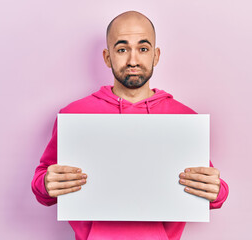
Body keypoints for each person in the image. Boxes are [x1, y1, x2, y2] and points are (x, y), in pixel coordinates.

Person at [31, 10, 229, 240]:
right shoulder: (74, 115)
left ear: (156, 56)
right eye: (122, 49)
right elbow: (41, 183)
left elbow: (212, 189)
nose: (133, 60)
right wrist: (46, 183)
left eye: (143, 49)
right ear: (107, 57)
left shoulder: (184, 119)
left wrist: (218, 191)